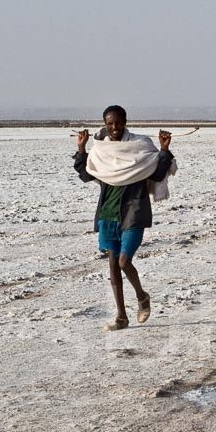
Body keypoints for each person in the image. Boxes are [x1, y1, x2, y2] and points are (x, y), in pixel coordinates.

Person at [74, 105, 176, 331]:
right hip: (108, 214)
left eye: (118, 123)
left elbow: (158, 173)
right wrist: (81, 148)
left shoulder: (138, 149)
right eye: (110, 123)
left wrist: (163, 150)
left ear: (125, 121)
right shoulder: (102, 152)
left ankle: (142, 297)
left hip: (133, 212)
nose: (114, 127)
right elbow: (85, 174)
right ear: (105, 124)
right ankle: (121, 317)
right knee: (112, 266)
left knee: (123, 261)